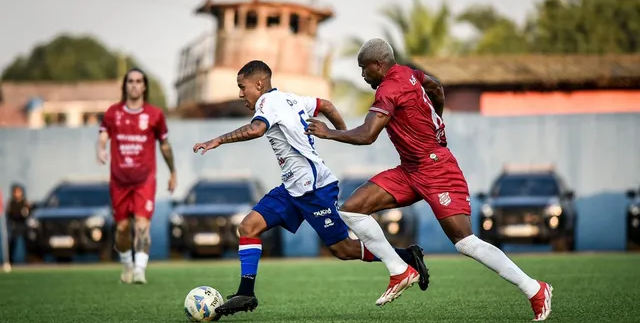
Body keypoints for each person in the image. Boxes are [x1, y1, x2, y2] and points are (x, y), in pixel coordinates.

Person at [305, 38, 553, 320]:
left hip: (437, 170)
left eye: (364, 69)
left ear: (378, 64)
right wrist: (435, 118)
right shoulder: (409, 73)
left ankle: (535, 289)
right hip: (410, 169)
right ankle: (400, 270)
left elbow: (367, 135)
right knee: (352, 208)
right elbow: (435, 85)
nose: (362, 76)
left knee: (465, 242)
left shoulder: (389, 88)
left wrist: (329, 133)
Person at [192, 60, 429, 320]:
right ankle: (246, 292)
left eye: (242, 87)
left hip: (315, 189)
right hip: (292, 188)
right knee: (248, 227)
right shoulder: (291, 99)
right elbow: (325, 105)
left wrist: (218, 140)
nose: (240, 94)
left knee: (343, 250)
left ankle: (406, 256)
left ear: (259, 84)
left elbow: (256, 129)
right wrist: (344, 132)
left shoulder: (266, 103)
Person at [96, 68, 177, 284]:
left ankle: (140, 269)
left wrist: (173, 172)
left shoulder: (154, 115)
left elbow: (165, 146)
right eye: (130, 81)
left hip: (145, 180)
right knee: (122, 229)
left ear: (144, 86)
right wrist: (101, 148)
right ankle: (127, 263)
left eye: (138, 81)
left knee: (142, 226)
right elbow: (103, 135)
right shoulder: (113, 113)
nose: (134, 85)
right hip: (119, 180)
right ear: (125, 85)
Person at [6, 184, 31, 264]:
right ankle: (10, 260)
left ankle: (26, 260)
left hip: (23, 227)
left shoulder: (25, 203)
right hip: (14, 227)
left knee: (26, 243)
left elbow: (26, 214)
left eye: (19, 192)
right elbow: (11, 214)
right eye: (15, 192)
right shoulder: (11, 203)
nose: (17, 194)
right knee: (12, 243)